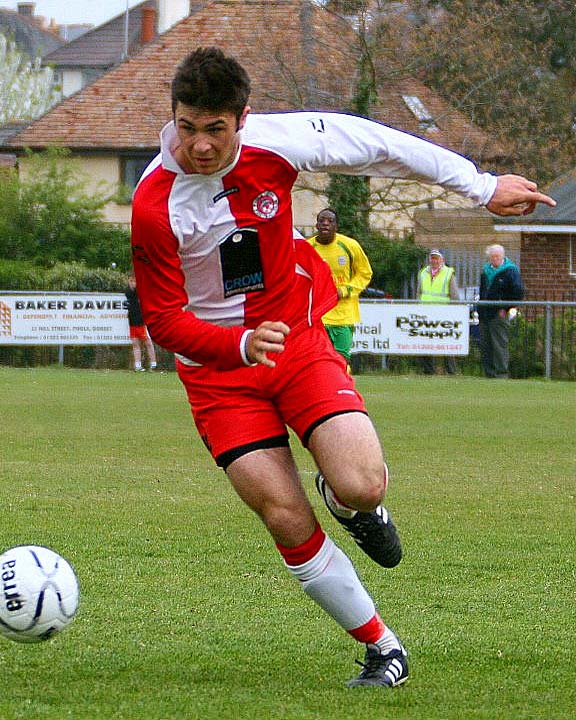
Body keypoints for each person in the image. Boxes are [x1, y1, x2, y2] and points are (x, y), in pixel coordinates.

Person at [130, 47, 554, 688]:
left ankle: (349, 502)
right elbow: (163, 320)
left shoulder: (278, 144)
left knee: (363, 485)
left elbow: (377, 143)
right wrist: (238, 345)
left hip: (297, 341)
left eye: (216, 129)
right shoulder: (153, 204)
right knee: (283, 513)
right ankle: (382, 646)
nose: (202, 146)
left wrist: (481, 185)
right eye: (188, 128)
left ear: (243, 118)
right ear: (174, 117)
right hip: (218, 371)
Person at [307, 209, 372, 368]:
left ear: (336, 225)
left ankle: (341, 389)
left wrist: (345, 290)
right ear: (316, 224)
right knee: (318, 359)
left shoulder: (350, 245)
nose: (325, 224)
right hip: (317, 316)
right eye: (322, 220)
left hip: (343, 315)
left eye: (330, 221)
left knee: (341, 360)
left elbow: (365, 273)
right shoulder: (307, 247)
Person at [477, 244, 523, 379]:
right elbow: (482, 291)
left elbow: (518, 293)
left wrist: (506, 308)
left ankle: (501, 374)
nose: (495, 259)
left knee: (499, 345)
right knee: (486, 345)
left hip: (499, 314)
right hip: (485, 313)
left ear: (503, 256)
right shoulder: (485, 271)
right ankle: (489, 374)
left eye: (497, 256)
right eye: (492, 256)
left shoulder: (511, 271)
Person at [418, 248, 459, 375]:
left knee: (446, 342)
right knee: (425, 342)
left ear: (442, 260)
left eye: (436, 258)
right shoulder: (423, 272)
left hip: (443, 313)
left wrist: (453, 312)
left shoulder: (448, 273)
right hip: (425, 312)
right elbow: (419, 292)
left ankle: (451, 371)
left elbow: (454, 295)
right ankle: (428, 370)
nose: (434, 260)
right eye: (432, 258)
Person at [125, 272, 157, 371]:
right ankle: (138, 366)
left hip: (142, 321)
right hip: (132, 321)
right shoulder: (128, 292)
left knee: (148, 343)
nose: (132, 283)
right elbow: (130, 294)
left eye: (134, 281)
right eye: (130, 281)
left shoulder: (141, 291)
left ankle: (153, 364)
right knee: (135, 343)